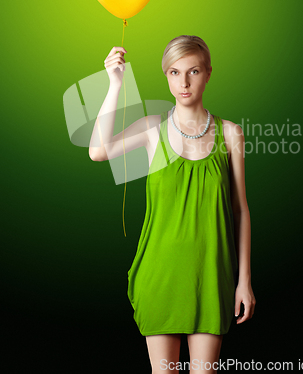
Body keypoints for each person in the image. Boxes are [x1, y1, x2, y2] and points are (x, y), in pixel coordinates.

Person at [89, 35, 256, 373]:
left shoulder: (230, 134)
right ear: (166, 76)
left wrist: (244, 281)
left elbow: (240, 210)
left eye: (193, 71)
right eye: (175, 72)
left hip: (210, 275)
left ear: (208, 73)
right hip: (160, 276)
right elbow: (98, 151)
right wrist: (114, 85)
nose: (184, 82)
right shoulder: (153, 130)